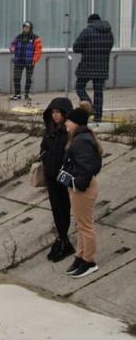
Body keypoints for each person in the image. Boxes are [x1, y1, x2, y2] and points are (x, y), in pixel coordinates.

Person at [62, 101, 103, 278]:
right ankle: (80, 256)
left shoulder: (81, 140)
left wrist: (79, 184)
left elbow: (90, 166)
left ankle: (89, 261)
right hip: (79, 186)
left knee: (86, 226)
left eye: (69, 121)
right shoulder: (81, 138)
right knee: (80, 224)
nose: (66, 123)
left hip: (83, 188)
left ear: (76, 122)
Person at [40, 97, 75, 262]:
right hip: (51, 176)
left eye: (58, 112)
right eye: (53, 112)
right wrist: (45, 158)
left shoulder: (69, 131)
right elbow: (43, 147)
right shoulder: (50, 129)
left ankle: (64, 239)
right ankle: (62, 238)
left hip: (64, 177)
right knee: (56, 208)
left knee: (64, 207)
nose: (55, 115)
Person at [73, 13, 114, 122]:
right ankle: (98, 116)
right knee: (99, 91)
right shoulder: (109, 33)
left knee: (79, 86)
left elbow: (76, 47)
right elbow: (109, 48)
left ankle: (89, 107)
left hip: (87, 66)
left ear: (89, 22)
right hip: (102, 67)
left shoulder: (87, 31)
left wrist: (86, 50)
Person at [9, 21, 42, 100]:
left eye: (27, 27)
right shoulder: (19, 37)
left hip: (29, 61)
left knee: (28, 78)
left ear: (30, 28)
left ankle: (27, 94)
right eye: (24, 27)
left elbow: (38, 51)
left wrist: (34, 60)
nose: (25, 28)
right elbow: (13, 44)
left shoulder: (35, 38)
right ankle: (17, 94)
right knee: (16, 78)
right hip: (19, 60)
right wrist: (12, 48)